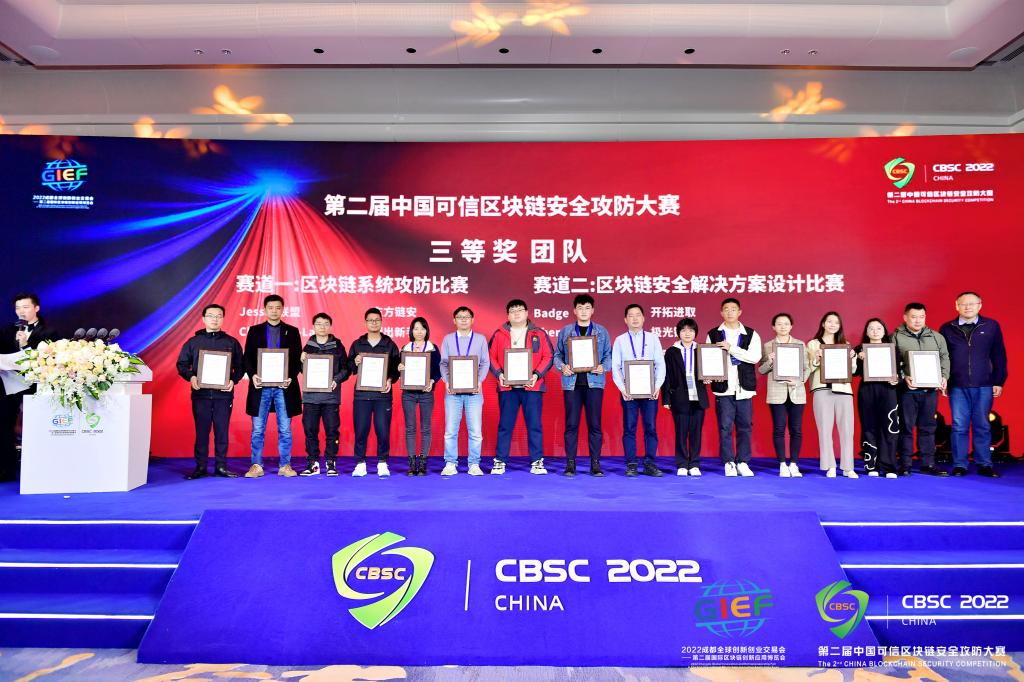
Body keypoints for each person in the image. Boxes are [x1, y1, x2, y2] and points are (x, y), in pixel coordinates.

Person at [940, 291, 1007, 478]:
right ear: (956, 306)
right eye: (963, 304)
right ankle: (960, 465)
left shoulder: (991, 326)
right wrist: (943, 380)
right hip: (957, 385)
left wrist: (999, 381)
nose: (967, 307)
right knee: (959, 426)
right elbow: (942, 357)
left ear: (980, 305)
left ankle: (984, 464)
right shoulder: (947, 328)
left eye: (972, 303)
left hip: (984, 384)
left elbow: (999, 355)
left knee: (982, 425)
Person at [175, 304, 244, 479]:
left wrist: (233, 380)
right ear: (204, 318)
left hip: (223, 395)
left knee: (222, 431)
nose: (215, 319)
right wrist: (191, 377)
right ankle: (200, 467)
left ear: (223, 319)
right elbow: (182, 365)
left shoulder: (231, 342)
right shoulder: (193, 342)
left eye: (219, 316)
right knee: (202, 431)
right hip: (201, 395)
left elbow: (241, 366)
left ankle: (221, 466)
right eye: (211, 316)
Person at [488, 299, 554, 475]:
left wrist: (536, 375)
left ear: (526, 313)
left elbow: (548, 356)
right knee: (505, 425)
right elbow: (490, 357)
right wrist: (499, 374)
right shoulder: (499, 334)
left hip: (532, 387)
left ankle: (537, 461)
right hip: (507, 388)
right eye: (512, 310)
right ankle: (500, 461)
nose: (516, 313)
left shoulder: (538, 333)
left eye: (519, 310)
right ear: (508, 315)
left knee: (534, 425)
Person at [243, 294, 304, 478]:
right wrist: (253, 375)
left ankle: (285, 465)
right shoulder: (255, 331)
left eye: (278, 308)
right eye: (271, 308)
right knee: (258, 429)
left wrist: (290, 377)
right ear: (265, 310)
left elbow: (297, 360)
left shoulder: (292, 331)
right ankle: (256, 465)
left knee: (285, 429)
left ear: (282, 309)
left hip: (284, 388)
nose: (274, 311)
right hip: (260, 387)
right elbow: (247, 358)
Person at [553, 294, 612, 477]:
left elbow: (608, 355)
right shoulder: (566, 331)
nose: (584, 311)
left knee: (594, 425)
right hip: (572, 385)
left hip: (594, 383)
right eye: (580, 308)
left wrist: (604, 366)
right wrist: (563, 367)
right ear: (574, 310)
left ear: (592, 310)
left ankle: (595, 464)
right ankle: (570, 464)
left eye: (587, 308)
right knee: (571, 425)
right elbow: (557, 355)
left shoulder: (601, 331)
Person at [0, 293, 57, 482]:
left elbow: (50, 360)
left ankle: (39, 469)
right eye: (18, 308)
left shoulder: (49, 332)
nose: (21, 312)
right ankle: (7, 469)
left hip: (35, 385)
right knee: (4, 425)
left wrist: (25, 346)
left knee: (35, 426)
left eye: (25, 307)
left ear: (36, 308)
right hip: (9, 385)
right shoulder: (7, 330)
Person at [893, 302, 950, 477]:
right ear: (905, 317)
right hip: (907, 392)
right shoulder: (895, 337)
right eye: (913, 317)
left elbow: (944, 358)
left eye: (921, 317)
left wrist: (944, 376)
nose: (918, 320)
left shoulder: (936, 337)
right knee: (906, 428)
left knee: (928, 428)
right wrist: (904, 378)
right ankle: (905, 464)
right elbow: (892, 362)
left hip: (930, 392)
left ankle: (928, 464)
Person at [706, 298, 762, 477]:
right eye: (726, 309)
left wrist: (732, 349)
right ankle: (729, 462)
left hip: (744, 388)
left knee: (745, 426)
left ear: (740, 312)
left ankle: (743, 462)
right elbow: (708, 358)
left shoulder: (751, 334)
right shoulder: (713, 334)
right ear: (721, 313)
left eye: (733, 309)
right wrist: (708, 374)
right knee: (725, 427)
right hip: (723, 388)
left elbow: (755, 357)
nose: (730, 312)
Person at [612, 303, 666, 477]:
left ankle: (650, 463)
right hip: (629, 392)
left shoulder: (652, 338)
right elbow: (616, 367)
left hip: (650, 391)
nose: (634, 318)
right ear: (625, 320)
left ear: (643, 318)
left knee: (651, 427)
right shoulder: (620, 340)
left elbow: (660, 364)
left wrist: (657, 386)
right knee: (629, 427)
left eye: (638, 315)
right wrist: (622, 389)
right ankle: (631, 464)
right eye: (631, 315)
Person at [348, 307, 401, 478]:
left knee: (383, 430)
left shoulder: (390, 344)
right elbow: (349, 367)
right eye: (370, 320)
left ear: (381, 322)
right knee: (361, 430)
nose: (374, 323)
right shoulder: (357, 344)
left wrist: (390, 379)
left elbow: (397, 368)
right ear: (365, 323)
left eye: (377, 320)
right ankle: (360, 463)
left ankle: (382, 462)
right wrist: (355, 362)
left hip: (382, 395)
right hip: (362, 395)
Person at [439, 306, 491, 476]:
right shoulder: (448, 339)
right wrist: (447, 381)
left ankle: (474, 464)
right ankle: (450, 463)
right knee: (450, 430)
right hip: (452, 393)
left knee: (475, 430)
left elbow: (485, 362)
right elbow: (443, 363)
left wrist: (479, 381)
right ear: (454, 320)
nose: (463, 319)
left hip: (474, 392)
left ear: (472, 320)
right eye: (460, 317)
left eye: (467, 316)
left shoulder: (480, 339)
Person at [806, 312, 859, 478]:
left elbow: (853, 370)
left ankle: (848, 467)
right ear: (823, 324)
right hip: (822, 389)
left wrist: (852, 358)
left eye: (836, 322)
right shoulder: (813, 344)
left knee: (847, 429)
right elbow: (808, 368)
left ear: (839, 325)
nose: (832, 325)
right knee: (824, 429)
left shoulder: (845, 344)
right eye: (829, 321)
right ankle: (830, 465)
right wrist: (817, 358)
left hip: (843, 389)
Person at [298, 313, 349, 477]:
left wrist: (336, 379)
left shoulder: (337, 346)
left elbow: (346, 369)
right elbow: (301, 370)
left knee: (332, 431)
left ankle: (330, 462)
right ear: (313, 326)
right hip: (310, 397)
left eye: (326, 323)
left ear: (330, 326)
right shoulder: (308, 346)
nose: (322, 327)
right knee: (310, 430)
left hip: (331, 397)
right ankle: (313, 463)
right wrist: (301, 360)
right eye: (319, 324)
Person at [758, 313, 809, 478]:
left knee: (796, 430)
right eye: (779, 324)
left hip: (796, 391)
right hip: (776, 392)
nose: (783, 327)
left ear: (791, 326)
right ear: (773, 327)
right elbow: (761, 370)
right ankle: (782, 464)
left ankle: (794, 464)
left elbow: (807, 368)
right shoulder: (768, 346)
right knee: (779, 429)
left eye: (786, 323)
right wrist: (770, 361)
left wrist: (799, 381)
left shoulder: (800, 344)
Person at [662, 318, 709, 476]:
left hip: (698, 396)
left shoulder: (702, 350)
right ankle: (682, 463)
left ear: (695, 332)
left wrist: (709, 377)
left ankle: (694, 463)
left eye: (690, 330)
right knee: (681, 432)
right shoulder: (672, 352)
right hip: (679, 397)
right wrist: (666, 399)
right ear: (678, 333)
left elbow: (710, 370)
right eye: (683, 330)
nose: (687, 333)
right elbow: (667, 376)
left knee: (696, 432)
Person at [855, 318, 900, 479]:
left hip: (888, 390)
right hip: (867, 391)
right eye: (871, 328)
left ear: (884, 331)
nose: (875, 331)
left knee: (890, 427)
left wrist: (897, 379)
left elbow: (900, 372)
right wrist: (857, 358)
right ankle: (871, 465)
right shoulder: (859, 349)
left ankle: (889, 466)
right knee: (869, 427)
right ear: (866, 332)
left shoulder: (892, 349)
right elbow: (853, 372)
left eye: (878, 328)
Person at [399, 316, 441, 476]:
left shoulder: (432, 348)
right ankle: (411, 464)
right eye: (416, 328)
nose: (419, 331)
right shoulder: (405, 348)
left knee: (426, 428)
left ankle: (423, 463)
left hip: (426, 393)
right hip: (408, 394)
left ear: (426, 331)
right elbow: (398, 370)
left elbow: (438, 370)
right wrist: (399, 367)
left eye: (422, 328)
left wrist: (432, 380)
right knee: (410, 428)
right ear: (411, 331)